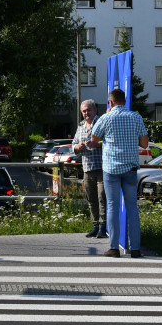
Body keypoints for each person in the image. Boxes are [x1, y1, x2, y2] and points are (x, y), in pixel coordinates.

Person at [91, 88, 148, 258]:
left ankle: (114, 248)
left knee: (112, 206)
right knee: (132, 208)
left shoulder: (106, 118)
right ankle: (135, 249)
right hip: (130, 169)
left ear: (110, 102)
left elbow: (94, 138)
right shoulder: (136, 117)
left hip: (111, 169)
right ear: (125, 100)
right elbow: (144, 144)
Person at [71, 99, 106, 239]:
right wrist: (77, 147)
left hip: (102, 167)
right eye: (84, 111)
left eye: (89, 110)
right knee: (91, 198)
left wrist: (98, 144)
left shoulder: (102, 122)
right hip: (87, 168)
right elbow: (73, 144)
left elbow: (110, 141)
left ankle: (103, 227)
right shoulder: (80, 126)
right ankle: (95, 225)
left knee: (102, 197)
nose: (87, 113)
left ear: (95, 110)